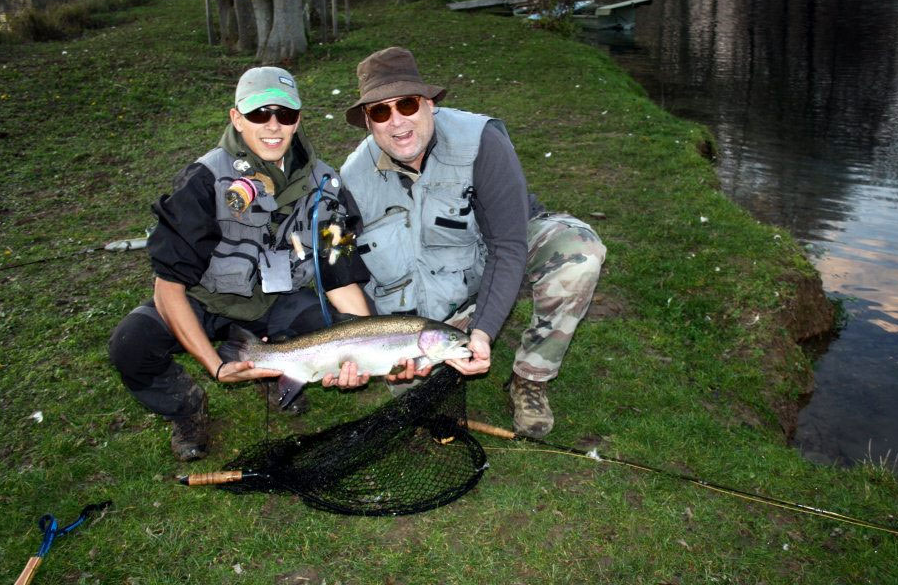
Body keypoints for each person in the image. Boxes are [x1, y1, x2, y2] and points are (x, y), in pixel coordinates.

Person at [109, 67, 376, 462]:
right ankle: (185, 407)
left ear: (298, 119)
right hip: (204, 300)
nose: (273, 126)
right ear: (237, 118)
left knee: (335, 331)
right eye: (258, 115)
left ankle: (277, 373)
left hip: (276, 302)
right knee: (131, 344)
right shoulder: (203, 180)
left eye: (284, 115)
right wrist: (216, 367)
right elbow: (168, 288)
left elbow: (340, 278)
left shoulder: (326, 187)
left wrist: (362, 352)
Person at [340, 47, 606, 438]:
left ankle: (530, 378)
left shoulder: (482, 142)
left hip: (498, 250)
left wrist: (481, 334)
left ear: (429, 104)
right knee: (412, 388)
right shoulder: (352, 179)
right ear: (368, 121)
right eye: (381, 111)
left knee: (578, 254)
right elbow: (352, 276)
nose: (397, 122)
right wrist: (378, 345)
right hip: (432, 306)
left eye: (408, 105)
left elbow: (508, 246)